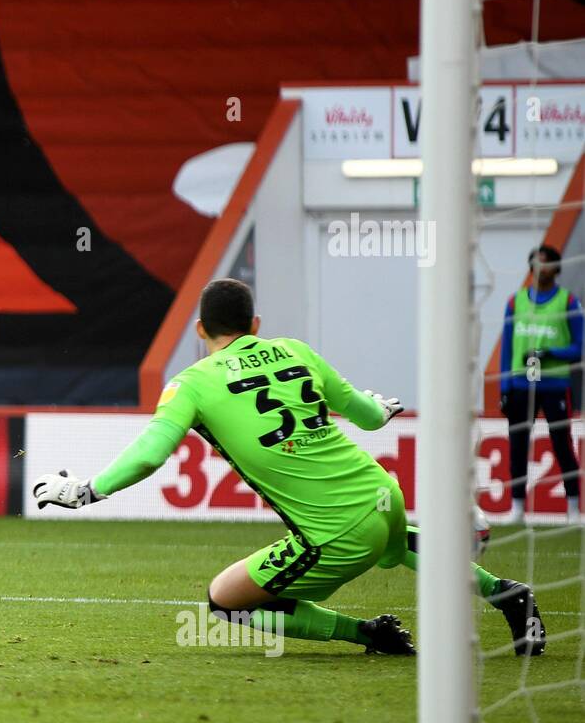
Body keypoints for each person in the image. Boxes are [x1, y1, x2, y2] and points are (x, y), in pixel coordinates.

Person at [33, 278, 546, 656]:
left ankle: (367, 633)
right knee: (400, 541)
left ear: (199, 331)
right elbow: (369, 417)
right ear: (255, 325)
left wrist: (87, 490)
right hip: (382, 493)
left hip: (335, 532)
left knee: (224, 600)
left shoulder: (190, 383)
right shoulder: (294, 350)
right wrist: (380, 406)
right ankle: (506, 593)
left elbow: (150, 453)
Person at [499, 244, 582, 524]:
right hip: (521, 385)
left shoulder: (568, 302)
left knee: (561, 444)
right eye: (534, 262)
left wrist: (551, 353)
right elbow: (507, 349)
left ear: (556, 268)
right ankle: (517, 508)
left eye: (545, 263)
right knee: (518, 446)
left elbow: (578, 348)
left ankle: (573, 509)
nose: (539, 268)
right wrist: (504, 388)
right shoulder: (515, 302)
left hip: (555, 385)